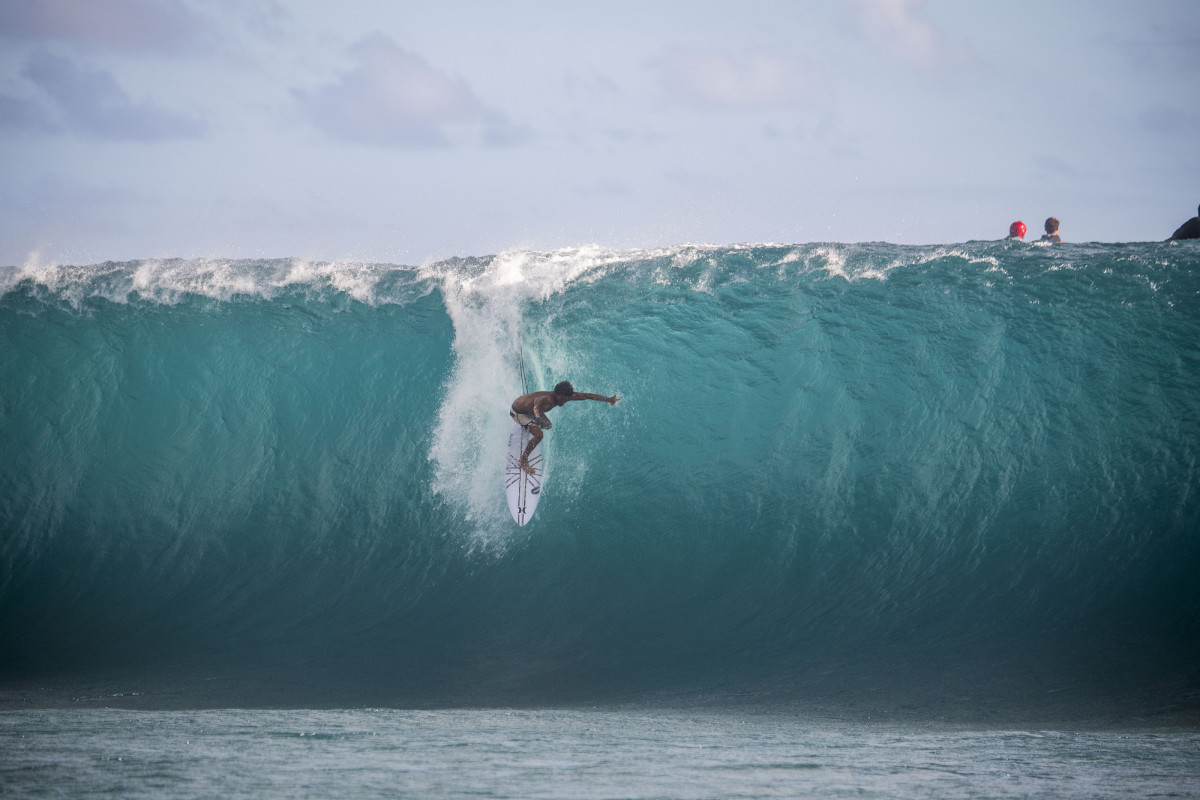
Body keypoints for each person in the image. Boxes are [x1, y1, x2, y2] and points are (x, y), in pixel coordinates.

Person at [510, 381, 619, 475]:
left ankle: (530, 423)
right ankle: (523, 460)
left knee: (548, 425)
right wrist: (536, 410)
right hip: (518, 412)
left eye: (566, 400)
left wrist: (609, 399)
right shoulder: (547, 399)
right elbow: (537, 400)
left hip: (528, 408)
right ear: (556, 394)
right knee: (539, 435)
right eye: (562, 399)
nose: (563, 402)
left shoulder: (565, 396)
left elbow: (587, 396)